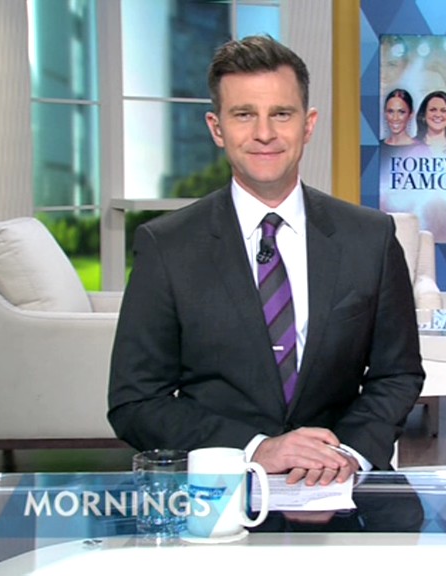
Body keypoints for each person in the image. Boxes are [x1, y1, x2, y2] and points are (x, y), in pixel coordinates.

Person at [107, 35, 424, 487]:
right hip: (217, 490)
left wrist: (347, 454)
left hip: (337, 487)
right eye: (244, 115)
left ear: (308, 124)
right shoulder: (167, 246)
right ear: (217, 128)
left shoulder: (370, 237)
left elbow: (397, 374)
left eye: (281, 114)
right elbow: (135, 401)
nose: (264, 133)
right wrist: (256, 449)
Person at [414, 90, 446, 155]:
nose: (438, 115)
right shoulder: (411, 145)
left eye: (443, 111)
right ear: (423, 115)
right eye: (433, 110)